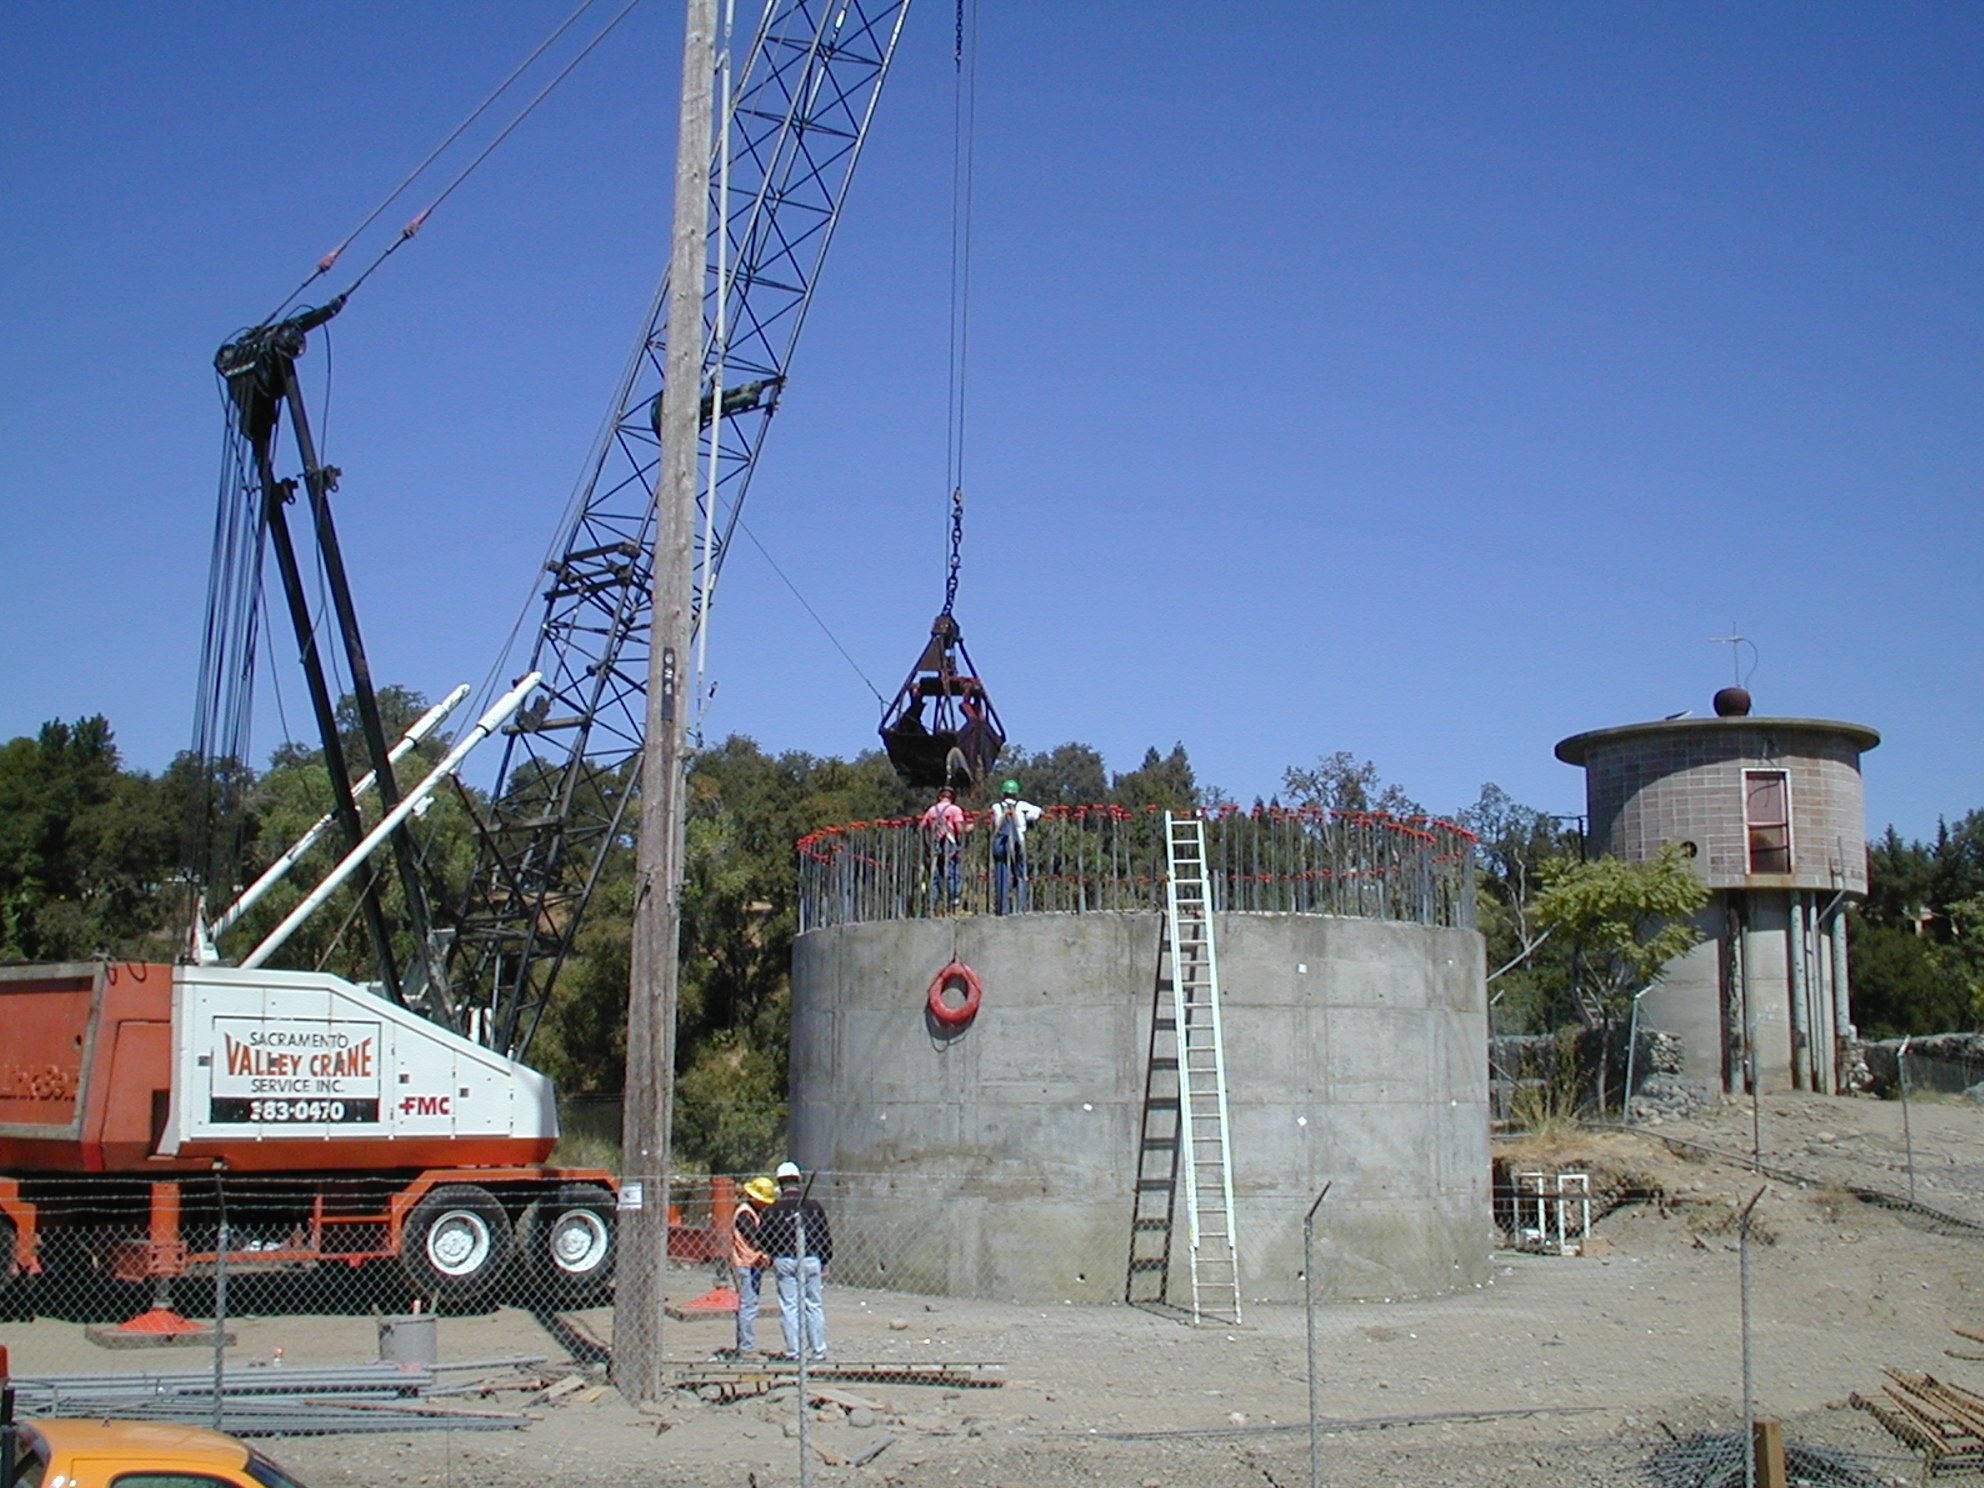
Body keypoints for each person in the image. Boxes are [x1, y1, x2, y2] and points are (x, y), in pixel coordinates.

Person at [759, 1160, 832, 1363]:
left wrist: (772, 1254)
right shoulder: (813, 1206)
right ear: (798, 1180)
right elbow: (824, 1235)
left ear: (779, 1182)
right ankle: (819, 1351)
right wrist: (825, 1260)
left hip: (784, 1258)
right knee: (814, 1305)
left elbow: (763, 1238)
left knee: (789, 1306)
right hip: (810, 1258)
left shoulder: (773, 1209)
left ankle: (795, 1352)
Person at [729, 1176, 777, 1357]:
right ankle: (746, 1346)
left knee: (750, 1305)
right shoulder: (744, 1214)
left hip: (752, 1263)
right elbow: (754, 1238)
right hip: (746, 1264)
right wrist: (766, 1249)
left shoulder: (752, 1213)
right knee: (748, 1306)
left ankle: (745, 1343)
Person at [987, 778, 1043, 915]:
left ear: (1003, 793)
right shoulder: (1022, 805)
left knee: (1001, 876)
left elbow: (993, 822)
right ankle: (1020, 908)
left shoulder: (996, 806)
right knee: (1020, 875)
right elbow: (1038, 812)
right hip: (1019, 844)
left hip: (1001, 845)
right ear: (1016, 794)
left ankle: (1002, 909)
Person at [919, 785, 971, 911]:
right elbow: (960, 829)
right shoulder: (954, 809)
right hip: (950, 844)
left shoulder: (932, 810)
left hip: (935, 845)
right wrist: (971, 827)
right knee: (952, 873)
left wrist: (927, 844)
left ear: (940, 796)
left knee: (935, 874)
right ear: (952, 797)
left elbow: (921, 827)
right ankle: (954, 900)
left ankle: (932, 904)